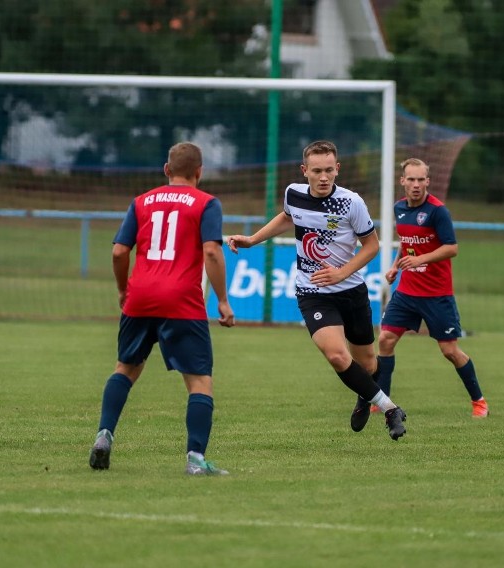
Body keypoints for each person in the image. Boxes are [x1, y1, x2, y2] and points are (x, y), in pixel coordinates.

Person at [227, 140, 407, 440]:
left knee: (368, 363)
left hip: (351, 291)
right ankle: (390, 409)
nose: (323, 177)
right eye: (317, 171)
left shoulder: (352, 202)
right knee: (337, 355)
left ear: (337, 169)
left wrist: (342, 272)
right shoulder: (293, 194)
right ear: (304, 171)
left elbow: (372, 246)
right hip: (312, 292)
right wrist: (252, 239)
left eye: (329, 170)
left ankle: (366, 396)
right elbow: (287, 217)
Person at [89, 142, 236, 475]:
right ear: (199, 172)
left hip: (140, 297)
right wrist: (223, 300)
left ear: (166, 170)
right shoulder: (207, 203)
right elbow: (212, 253)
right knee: (199, 381)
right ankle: (196, 460)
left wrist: (122, 289)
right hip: (181, 300)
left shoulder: (141, 202)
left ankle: (104, 435)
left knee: (125, 368)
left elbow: (118, 252)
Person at [353, 157, 488, 423]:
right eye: (410, 179)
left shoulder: (438, 211)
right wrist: (395, 267)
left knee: (450, 351)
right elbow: (407, 242)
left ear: (428, 181)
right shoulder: (399, 208)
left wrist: (420, 259)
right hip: (407, 291)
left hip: (437, 294)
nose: (415, 185)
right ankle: (382, 400)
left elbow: (452, 248)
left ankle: (479, 401)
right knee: (385, 340)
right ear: (402, 181)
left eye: (420, 180)